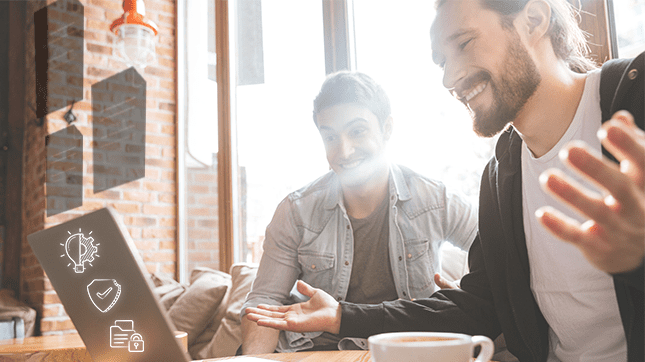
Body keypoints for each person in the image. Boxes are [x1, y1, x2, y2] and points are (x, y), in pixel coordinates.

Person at [245, 1, 644, 361]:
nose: (450, 77)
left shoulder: (635, 99)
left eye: (465, 43)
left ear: (535, 19)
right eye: (440, 61)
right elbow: (478, 307)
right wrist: (341, 316)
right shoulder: (501, 177)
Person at [240, 71, 478, 354]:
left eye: (357, 131)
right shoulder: (296, 210)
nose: (344, 151)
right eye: (330, 137)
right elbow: (264, 303)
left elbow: (504, 264)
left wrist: (466, 300)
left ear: (387, 129)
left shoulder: (436, 200)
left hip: (404, 350)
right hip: (320, 352)